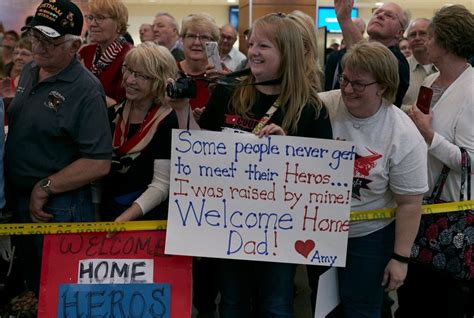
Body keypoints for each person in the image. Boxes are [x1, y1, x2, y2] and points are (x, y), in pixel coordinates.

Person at [170, 12, 333, 317]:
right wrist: (182, 111)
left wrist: (289, 151)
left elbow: (322, 178)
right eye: (252, 43)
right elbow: (200, 151)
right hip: (230, 226)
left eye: (264, 46)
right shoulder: (230, 93)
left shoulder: (311, 109)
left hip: (281, 232)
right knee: (232, 303)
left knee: (276, 305)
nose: (254, 51)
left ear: (288, 53)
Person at [4, 0, 112, 296]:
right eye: (35, 36)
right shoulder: (30, 71)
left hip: (59, 207)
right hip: (22, 199)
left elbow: (98, 162)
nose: (39, 45)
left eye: (50, 40)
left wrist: (46, 187)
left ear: (75, 45)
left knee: (61, 292)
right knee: (36, 284)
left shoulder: (86, 90)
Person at [318, 41, 428, 317]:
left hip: (369, 234)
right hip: (319, 228)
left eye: (359, 83)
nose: (347, 89)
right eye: (344, 78)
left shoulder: (403, 134)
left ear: (382, 86)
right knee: (323, 308)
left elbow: (410, 204)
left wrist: (400, 259)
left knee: (361, 308)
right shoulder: (321, 106)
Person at [396, 5, 474, 318]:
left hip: (450, 215)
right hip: (420, 208)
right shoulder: (430, 82)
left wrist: (429, 136)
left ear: (446, 41)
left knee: (443, 303)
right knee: (413, 301)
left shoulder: (471, 90)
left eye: (430, 36)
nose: (425, 42)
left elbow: (468, 161)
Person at [101, 42, 178, 223]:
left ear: (159, 80)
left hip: (145, 219)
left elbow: (161, 185)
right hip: (108, 211)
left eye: (141, 76)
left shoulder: (168, 121)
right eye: (128, 71)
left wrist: (124, 219)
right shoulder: (113, 113)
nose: (129, 80)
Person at [333, 0, 410, 107]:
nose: (380, 16)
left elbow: (369, 63)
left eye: (389, 15)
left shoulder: (399, 62)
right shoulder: (347, 53)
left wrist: (345, 19)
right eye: (377, 13)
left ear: (399, 32)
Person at [78, 0, 133, 106]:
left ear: (119, 24)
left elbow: (122, 107)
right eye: (90, 17)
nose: (92, 24)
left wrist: (84, 81)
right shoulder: (85, 52)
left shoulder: (130, 57)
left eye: (100, 18)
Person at [178, 13, 221, 114]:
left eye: (204, 37)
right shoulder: (169, 71)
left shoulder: (223, 76)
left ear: (214, 43)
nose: (197, 42)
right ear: (182, 40)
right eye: (191, 36)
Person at [400, 18, 438, 111]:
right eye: (413, 35)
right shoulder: (400, 68)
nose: (417, 38)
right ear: (408, 39)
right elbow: (391, 104)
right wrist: (415, 110)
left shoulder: (444, 68)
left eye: (422, 33)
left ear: (433, 36)